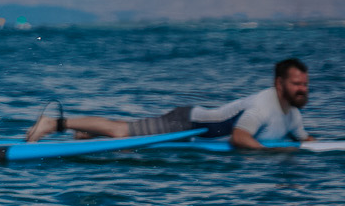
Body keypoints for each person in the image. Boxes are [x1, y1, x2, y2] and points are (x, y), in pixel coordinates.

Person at [22, 57, 312, 149]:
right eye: (297, 84)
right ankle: (53, 123)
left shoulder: (292, 112)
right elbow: (239, 137)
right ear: (279, 84)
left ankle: (86, 134)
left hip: (197, 129)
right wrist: (267, 154)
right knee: (122, 132)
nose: (303, 89)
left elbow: (303, 138)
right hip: (187, 122)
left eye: (305, 84)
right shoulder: (262, 106)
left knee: (124, 133)